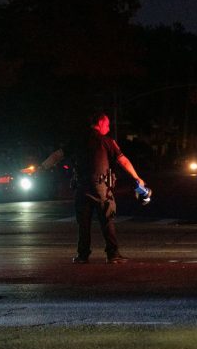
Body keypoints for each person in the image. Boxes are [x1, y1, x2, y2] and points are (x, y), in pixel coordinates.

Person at [41, 112, 145, 264]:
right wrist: (137, 177)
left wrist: (41, 167)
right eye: (107, 125)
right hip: (101, 188)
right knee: (107, 220)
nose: (108, 128)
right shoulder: (107, 141)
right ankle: (113, 254)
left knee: (84, 223)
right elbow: (123, 161)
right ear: (101, 123)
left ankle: (83, 256)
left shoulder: (77, 140)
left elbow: (57, 155)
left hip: (81, 188)